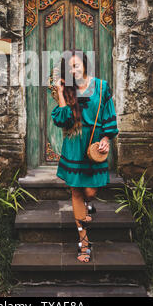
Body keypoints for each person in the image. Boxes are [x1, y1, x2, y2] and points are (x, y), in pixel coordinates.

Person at [51, 49, 119, 263]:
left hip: (94, 145)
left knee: (90, 191)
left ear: (85, 65)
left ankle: (89, 204)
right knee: (77, 192)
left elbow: (109, 113)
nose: (74, 70)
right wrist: (61, 93)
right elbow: (63, 120)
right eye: (69, 67)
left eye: (77, 65)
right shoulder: (66, 90)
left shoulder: (101, 86)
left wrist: (106, 139)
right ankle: (84, 242)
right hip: (74, 144)